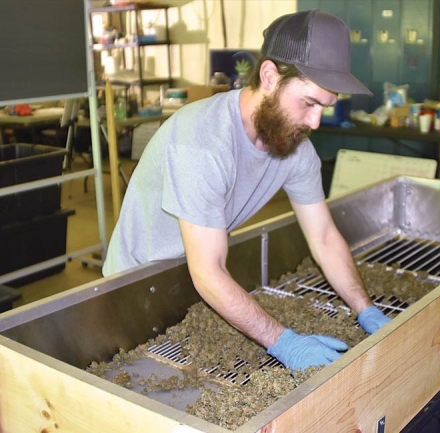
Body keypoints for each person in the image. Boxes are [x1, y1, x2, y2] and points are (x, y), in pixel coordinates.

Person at [103, 9, 390, 371]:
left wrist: (365, 309)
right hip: (133, 294)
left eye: (326, 107)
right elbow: (208, 271)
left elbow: (325, 238)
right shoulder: (203, 142)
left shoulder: (294, 146)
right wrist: (284, 342)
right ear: (269, 76)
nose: (315, 122)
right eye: (309, 103)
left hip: (192, 286)